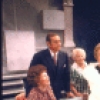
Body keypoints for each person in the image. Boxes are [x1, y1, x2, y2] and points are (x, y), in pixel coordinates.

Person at [15, 33, 71, 100]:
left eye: (59, 41)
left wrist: (68, 90)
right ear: (48, 44)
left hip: (59, 91)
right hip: (43, 91)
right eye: (56, 42)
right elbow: (31, 75)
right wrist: (27, 92)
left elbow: (67, 74)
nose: (59, 44)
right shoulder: (39, 56)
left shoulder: (64, 55)